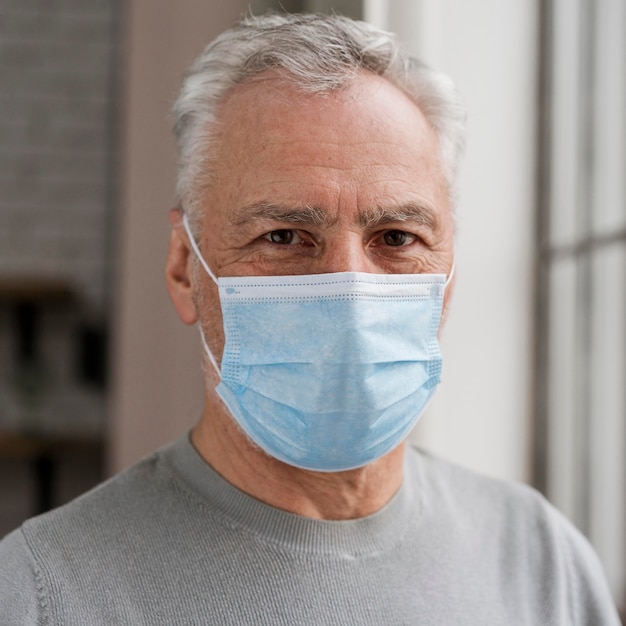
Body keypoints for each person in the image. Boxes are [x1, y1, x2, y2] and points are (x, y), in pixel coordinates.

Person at [0, 12, 620, 625]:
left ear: (449, 274)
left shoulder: (541, 562)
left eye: (398, 237)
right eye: (285, 235)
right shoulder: (42, 593)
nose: (349, 291)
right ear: (185, 267)